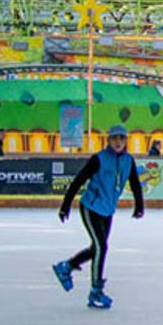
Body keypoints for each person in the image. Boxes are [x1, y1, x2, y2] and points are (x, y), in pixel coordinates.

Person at [51, 124, 143, 310]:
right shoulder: (99, 159)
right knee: (102, 247)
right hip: (91, 208)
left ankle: (67, 266)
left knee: (97, 248)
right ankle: (96, 290)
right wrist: (65, 206)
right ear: (108, 140)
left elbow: (134, 183)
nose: (118, 142)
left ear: (125, 141)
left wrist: (139, 205)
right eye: (114, 138)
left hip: (107, 211)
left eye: (121, 139)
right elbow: (79, 180)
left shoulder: (128, 161)